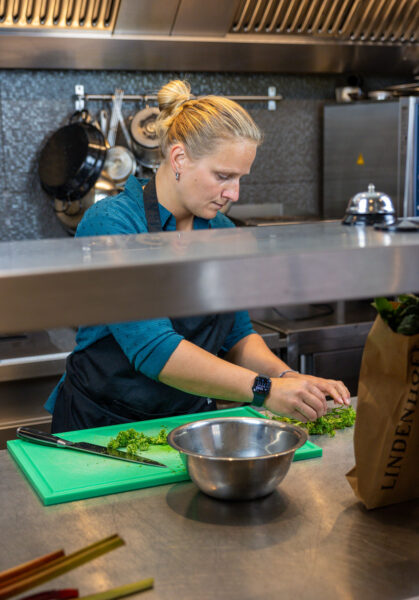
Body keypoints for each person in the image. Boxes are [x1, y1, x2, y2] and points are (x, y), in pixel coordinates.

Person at [46, 79, 350, 433]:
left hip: (188, 423)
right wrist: (265, 391)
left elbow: (237, 335)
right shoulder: (112, 224)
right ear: (179, 158)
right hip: (102, 426)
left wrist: (290, 379)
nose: (233, 193)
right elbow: (153, 347)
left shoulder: (221, 231)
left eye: (240, 178)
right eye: (223, 176)